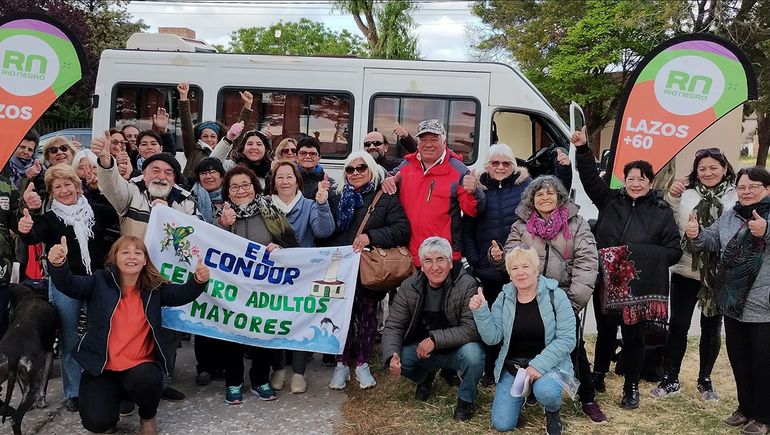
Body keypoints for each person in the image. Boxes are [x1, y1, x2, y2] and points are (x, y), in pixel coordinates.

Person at [46, 235, 210, 434]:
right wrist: (58, 264)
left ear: (145, 260)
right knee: (96, 423)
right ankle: (113, 407)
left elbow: (181, 294)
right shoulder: (99, 281)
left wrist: (198, 280)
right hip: (102, 368)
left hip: (140, 367)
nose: (131, 257)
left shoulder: (154, 288)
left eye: (137, 253)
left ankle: (147, 416)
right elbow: (71, 285)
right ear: (114, 258)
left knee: (149, 379)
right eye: (125, 252)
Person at [572, 128, 681, 409]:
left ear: (650, 182)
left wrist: (637, 256)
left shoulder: (660, 211)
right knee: (606, 329)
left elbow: (673, 250)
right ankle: (598, 375)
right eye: (630, 179)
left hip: (639, 286)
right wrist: (583, 150)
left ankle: (630, 386)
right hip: (606, 280)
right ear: (625, 180)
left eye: (640, 179)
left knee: (634, 337)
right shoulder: (611, 201)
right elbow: (589, 180)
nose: (635, 184)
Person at [488, 175, 605, 423]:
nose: (545, 197)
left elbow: (587, 262)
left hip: (562, 297)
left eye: (550, 193)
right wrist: (498, 257)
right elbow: (512, 257)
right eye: (539, 194)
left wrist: (572, 302)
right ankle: (529, 389)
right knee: (527, 338)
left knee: (573, 345)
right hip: (528, 293)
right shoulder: (522, 226)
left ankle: (588, 398)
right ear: (532, 199)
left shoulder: (576, 224)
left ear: (560, 196)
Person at [92, 131, 198, 403]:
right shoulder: (132, 192)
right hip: (132, 277)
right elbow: (111, 185)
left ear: (174, 178)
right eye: (155, 170)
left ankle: (162, 382)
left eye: (168, 172)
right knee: (131, 330)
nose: (161, 176)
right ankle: (126, 387)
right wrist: (106, 161)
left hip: (166, 277)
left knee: (167, 330)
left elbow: (195, 238)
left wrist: (170, 217)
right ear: (145, 172)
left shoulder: (185, 200)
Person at [17, 164, 117, 413]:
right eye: (56, 187)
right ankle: (73, 391)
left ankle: (104, 382)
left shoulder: (97, 211)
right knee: (69, 338)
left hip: (96, 281)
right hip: (65, 284)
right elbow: (33, 235)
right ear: (51, 192)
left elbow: (121, 220)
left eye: (67, 184)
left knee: (102, 332)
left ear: (77, 185)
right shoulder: (50, 219)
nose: (63, 190)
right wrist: (26, 224)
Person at [686, 167, 770, 434]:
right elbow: (711, 240)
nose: (746, 192)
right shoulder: (731, 215)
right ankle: (745, 409)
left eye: (753, 187)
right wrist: (696, 233)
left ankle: (763, 416)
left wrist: (766, 231)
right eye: (742, 187)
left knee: (763, 362)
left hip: (764, 305)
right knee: (739, 358)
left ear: (767, 189)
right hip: (733, 302)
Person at [652, 148, 737, 401]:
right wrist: (673, 196)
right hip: (685, 269)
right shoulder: (687, 194)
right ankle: (670, 378)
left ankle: (705, 380)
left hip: (719, 273)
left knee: (711, 327)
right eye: (702, 169)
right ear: (696, 172)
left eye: (713, 167)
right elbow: (667, 218)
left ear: (724, 168)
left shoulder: (736, 195)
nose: (708, 173)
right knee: (678, 325)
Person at [324, 151, 410, 391]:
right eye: (350, 170)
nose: (355, 173)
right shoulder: (337, 197)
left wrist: (371, 236)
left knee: (366, 317)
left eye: (361, 168)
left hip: (366, 271)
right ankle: (341, 364)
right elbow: (326, 230)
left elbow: (402, 230)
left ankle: (362, 363)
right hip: (339, 269)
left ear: (371, 169)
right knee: (341, 319)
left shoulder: (385, 197)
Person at [215, 165, 298, 404]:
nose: (241, 191)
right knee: (232, 337)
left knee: (262, 334)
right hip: (231, 289)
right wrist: (222, 225)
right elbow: (208, 246)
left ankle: (260, 379)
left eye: (246, 185)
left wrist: (280, 249)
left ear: (255, 186)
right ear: (227, 191)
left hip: (263, 289)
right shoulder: (219, 214)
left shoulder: (271, 211)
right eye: (235, 187)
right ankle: (233, 382)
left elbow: (293, 245)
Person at [470, 246, 576, 434]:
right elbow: (493, 338)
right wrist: (481, 312)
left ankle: (552, 411)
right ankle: (524, 396)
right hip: (514, 368)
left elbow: (567, 339)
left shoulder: (556, 296)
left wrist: (538, 365)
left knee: (548, 391)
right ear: (510, 274)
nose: (520, 273)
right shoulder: (503, 298)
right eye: (515, 268)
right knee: (502, 424)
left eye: (525, 266)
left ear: (536, 269)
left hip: (547, 367)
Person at [382, 237, 483, 421]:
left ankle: (466, 399)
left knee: (474, 355)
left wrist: (435, 340)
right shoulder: (409, 287)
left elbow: (471, 329)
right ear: (421, 264)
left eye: (440, 259)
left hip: (456, 350)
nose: (435, 267)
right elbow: (394, 325)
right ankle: (425, 377)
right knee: (400, 356)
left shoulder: (467, 284)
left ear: (450, 263)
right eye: (428, 261)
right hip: (423, 351)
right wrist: (391, 355)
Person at [461, 144, 530, 385]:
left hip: (517, 268)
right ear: (487, 166)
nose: (500, 167)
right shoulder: (479, 190)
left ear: (513, 166)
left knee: (518, 321)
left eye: (506, 163)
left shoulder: (525, 188)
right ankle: (489, 370)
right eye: (495, 163)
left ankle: (513, 368)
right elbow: (467, 230)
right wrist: (476, 260)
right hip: (487, 270)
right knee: (489, 321)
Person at [266, 160, 335, 393]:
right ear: (273, 182)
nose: (285, 181)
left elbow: (323, 231)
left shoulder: (309, 205)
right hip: (272, 275)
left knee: (301, 321)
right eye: (280, 177)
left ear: (297, 180)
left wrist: (323, 205)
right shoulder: (265, 206)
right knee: (275, 321)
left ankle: (298, 373)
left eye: (289, 176)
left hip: (303, 275)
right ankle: (277, 368)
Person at [382, 119, 485, 267]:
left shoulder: (459, 171)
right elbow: (390, 177)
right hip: (408, 256)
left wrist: (474, 192)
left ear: (444, 143)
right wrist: (387, 180)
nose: (428, 144)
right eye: (423, 139)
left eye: (434, 139)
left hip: (441, 258)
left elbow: (473, 210)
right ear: (417, 144)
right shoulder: (407, 166)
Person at [178, 83, 253, 180]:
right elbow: (186, 128)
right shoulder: (193, 150)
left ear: (218, 139)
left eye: (213, 136)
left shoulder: (227, 150)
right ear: (199, 138)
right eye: (205, 136)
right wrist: (183, 97)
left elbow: (238, 133)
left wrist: (247, 105)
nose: (209, 139)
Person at [0, 170, 19, 338]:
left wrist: (29, 207)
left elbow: (18, 222)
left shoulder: (7, 185)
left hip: (2, 264)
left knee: (1, 314)